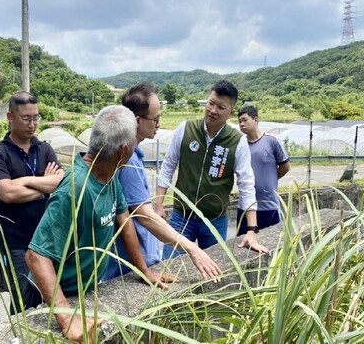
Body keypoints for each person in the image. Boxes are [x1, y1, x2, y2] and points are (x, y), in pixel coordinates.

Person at [25, 105, 176, 343]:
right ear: (123, 149)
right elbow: (35, 256)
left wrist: (144, 270)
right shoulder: (74, 188)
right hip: (51, 296)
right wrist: (65, 319)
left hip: (83, 290)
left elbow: (124, 221)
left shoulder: (110, 175)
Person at [103, 83, 222, 281]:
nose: (159, 124)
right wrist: (192, 248)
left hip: (134, 262)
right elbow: (144, 216)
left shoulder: (130, 154)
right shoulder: (128, 160)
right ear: (137, 121)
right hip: (128, 268)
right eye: (156, 118)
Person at [155, 80, 269, 259]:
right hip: (181, 217)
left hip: (215, 221)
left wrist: (252, 230)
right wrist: (159, 205)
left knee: (213, 272)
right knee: (168, 267)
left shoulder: (236, 141)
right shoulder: (186, 129)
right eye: (211, 103)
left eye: (221, 107)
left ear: (231, 113)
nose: (213, 110)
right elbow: (168, 166)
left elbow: (246, 185)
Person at [0, 91, 64, 314]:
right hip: (15, 244)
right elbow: (7, 194)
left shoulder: (45, 149)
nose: (32, 124)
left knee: (48, 296)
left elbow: (60, 183)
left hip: (46, 239)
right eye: (26, 118)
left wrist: (27, 183)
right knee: (23, 300)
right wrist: (43, 185)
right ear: (11, 117)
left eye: (36, 118)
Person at [236, 105, 290, 235]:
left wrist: (270, 180)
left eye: (245, 120)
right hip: (245, 207)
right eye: (239, 122)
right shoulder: (239, 145)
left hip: (268, 206)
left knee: (272, 245)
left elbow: (285, 166)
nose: (242, 124)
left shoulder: (272, 141)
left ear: (256, 119)